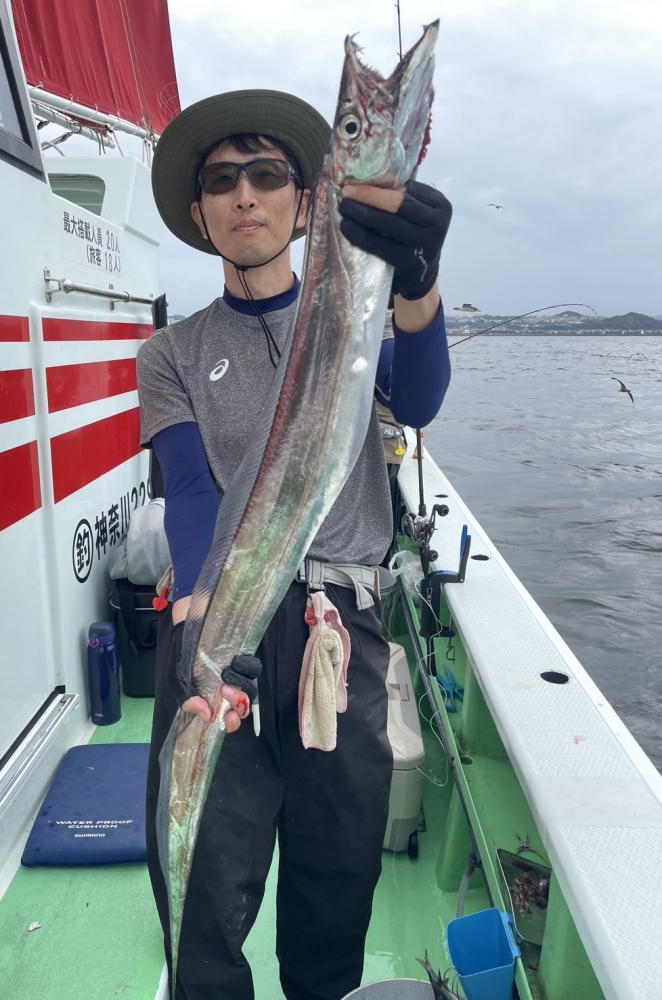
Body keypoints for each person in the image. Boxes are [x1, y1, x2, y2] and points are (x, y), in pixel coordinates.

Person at [138, 89, 452, 1000]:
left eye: (268, 173)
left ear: (306, 200)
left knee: (334, 882)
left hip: (337, 630)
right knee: (200, 888)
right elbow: (190, 487)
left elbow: (419, 399)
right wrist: (202, 607)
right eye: (222, 180)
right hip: (222, 627)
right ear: (200, 213)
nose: (246, 194)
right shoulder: (171, 353)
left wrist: (420, 283)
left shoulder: (354, 317)